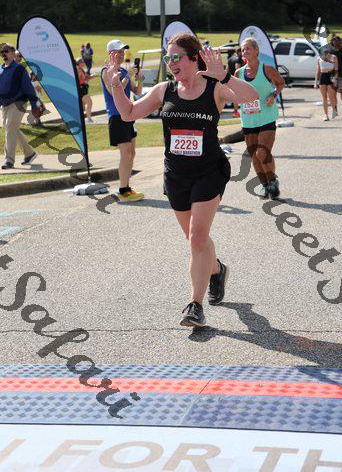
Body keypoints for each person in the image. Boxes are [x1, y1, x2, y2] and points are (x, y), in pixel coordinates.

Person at [107, 33, 258, 327]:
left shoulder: (214, 87)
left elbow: (251, 97)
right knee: (194, 238)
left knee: (197, 237)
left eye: (176, 57)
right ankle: (216, 270)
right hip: (176, 175)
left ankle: (195, 305)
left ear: (193, 58)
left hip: (209, 171)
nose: (171, 63)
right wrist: (115, 85)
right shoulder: (164, 90)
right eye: (168, 58)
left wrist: (225, 76)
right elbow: (128, 113)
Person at [235, 37, 285, 199]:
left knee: (262, 153)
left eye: (248, 48)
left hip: (266, 117)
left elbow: (280, 83)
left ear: (256, 50)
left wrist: (273, 95)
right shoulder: (239, 73)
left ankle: (272, 182)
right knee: (254, 155)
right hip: (248, 120)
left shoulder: (267, 69)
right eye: (243, 49)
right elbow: (234, 92)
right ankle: (265, 185)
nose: (245, 51)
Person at [101, 39, 145, 202]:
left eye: (122, 52)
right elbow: (113, 92)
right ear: (110, 54)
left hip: (128, 115)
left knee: (131, 152)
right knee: (125, 153)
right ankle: (122, 190)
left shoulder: (124, 71)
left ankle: (126, 187)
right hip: (116, 116)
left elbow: (137, 91)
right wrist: (128, 76)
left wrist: (139, 79)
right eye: (118, 52)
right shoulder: (106, 71)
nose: (121, 55)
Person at [0, 43, 40, 169]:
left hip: (18, 103)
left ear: (13, 53)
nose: (3, 53)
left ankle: (9, 161)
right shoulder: (1, 69)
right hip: (5, 105)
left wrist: (34, 105)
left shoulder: (19, 69)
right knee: (12, 129)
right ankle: (30, 153)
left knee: (10, 128)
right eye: (2, 52)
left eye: (6, 51)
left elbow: (28, 88)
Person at [314, 48, 338, 121]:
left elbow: (336, 70)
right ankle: (326, 115)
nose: (327, 56)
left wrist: (335, 79)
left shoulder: (334, 57)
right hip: (323, 76)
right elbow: (318, 71)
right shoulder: (319, 58)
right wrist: (315, 82)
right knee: (324, 97)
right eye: (324, 55)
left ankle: (334, 110)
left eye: (328, 54)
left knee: (331, 97)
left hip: (330, 76)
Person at [227, 48, 244, 117]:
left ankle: (235, 111)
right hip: (236, 79)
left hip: (230, 79)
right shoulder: (239, 59)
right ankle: (237, 111)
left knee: (234, 95)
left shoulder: (230, 59)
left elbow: (227, 69)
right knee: (240, 95)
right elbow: (237, 70)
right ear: (239, 52)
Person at [76, 58, 93, 122]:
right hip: (81, 88)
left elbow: (86, 78)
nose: (84, 63)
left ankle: (81, 119)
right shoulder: (78, 69)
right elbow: (77, 79)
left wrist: (93, 76)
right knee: (89, 102)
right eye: (83, 62)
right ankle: (89, 119)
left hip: (83, 87)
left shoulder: (81, 69)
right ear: (80, 63)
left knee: (82, 105)